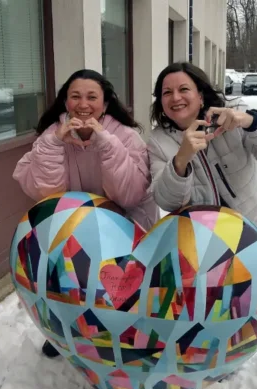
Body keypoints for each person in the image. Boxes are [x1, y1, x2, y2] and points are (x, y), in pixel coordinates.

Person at [13, 69, 159, 358]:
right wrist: (55, 142)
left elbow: (129, 194)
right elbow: (45, 194)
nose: (83, 104)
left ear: (104, 105)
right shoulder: (50, 137)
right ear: (65, 102)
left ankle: (127, 335)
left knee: (117, 291)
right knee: (69, 284)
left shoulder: (126, 137)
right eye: (75, 96)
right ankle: (66, 333)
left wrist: (105, 142)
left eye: (92, 97)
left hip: (124, 227)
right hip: (73, 231)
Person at [146, 62, 257, 228]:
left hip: (252, 222)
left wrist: (252, 121)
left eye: (184, 89)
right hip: (204, 232)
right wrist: (181, 160)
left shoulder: (233, 114)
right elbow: (167, 202)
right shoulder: (158, 142)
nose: (176, 97)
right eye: (167, 92)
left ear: (200, 96)